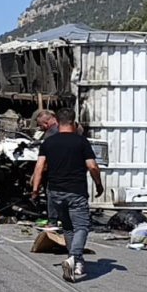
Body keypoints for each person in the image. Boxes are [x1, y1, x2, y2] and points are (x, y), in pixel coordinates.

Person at [31, 108, 104, 282]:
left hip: (55, 192)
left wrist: (35, 189)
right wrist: (99, 184)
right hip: (76, 192)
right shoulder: (81, 142)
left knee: (68, 228)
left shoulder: (48, 142)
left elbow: (40, 167)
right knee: (82, 227)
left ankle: (77, 262)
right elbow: (93, 166)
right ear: (73, 121)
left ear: (57, 120)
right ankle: (75, 257)